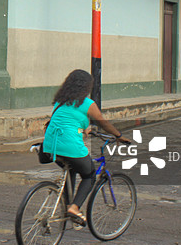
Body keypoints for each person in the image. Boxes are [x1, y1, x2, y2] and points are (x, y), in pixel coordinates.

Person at [43, 69, 130, 226]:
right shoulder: (88, 103)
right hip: (70, 146)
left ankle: (67, 208)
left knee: (71, 169)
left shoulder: (60, 101)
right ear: (86, 87)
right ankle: (74, 208)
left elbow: (69, 120)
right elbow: (103, 122)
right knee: (89, 175)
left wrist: (85, 128)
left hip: (50, 146)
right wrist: (118, 135)